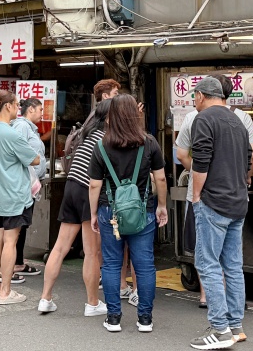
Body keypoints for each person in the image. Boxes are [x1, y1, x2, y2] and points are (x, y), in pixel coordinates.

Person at [89, 94, 167, 334]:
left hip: (108, 210)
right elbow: (161, 177)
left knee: (112, 264)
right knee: (144, 265)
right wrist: (162, 205)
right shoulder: (149, 142)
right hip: (142, 211)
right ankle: (145, 319)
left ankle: (114, 318)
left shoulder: (101, 145)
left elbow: (94, 184)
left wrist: (93, 213)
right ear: (135, 114)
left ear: (112, 116)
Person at [188, 77, 252, 349]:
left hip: (214, 201)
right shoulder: (237, 120)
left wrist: (197, 195)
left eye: (194, 96)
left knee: (208, 264)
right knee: (233, 266)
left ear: (202, 95)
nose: (193, 101)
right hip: (238, 201)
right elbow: (250, 158)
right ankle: (235, 326)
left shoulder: (203, 119)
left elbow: (200, 161)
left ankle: (220, 329)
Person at [38, 99, 111, 316]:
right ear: (109, 117)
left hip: (71, 187)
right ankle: (92, 303)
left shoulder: (86, 136)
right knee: (92, 252)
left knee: (60, 247)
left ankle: (45, 298)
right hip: (88, 190)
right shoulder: (106, 139)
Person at [0, 90, 41, 305]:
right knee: (11, 241)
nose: (19, 108)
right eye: (17, 104)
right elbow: (33, 159)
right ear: (7, 106)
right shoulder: (11, 134)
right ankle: (6, 292)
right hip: (14, 194)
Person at [10, 98, 47, 277]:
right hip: (23, 184)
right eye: (40, 109)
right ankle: (10, 268)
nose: (42, 113)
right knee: (17, 226)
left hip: (30, 185)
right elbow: (17, 152)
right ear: (30, 109)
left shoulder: (30, 128)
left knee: (23, 226)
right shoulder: (22, 127)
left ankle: (18, 263)